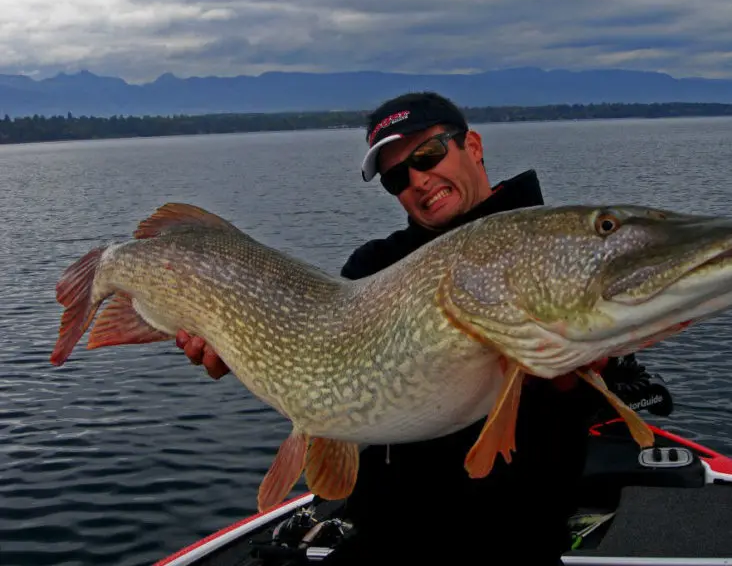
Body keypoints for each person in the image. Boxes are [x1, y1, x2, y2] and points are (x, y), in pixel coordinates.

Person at [175, 91, 648, 564]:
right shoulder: (373, 265)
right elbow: (315, 364)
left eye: (428, 154)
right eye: (397, 176)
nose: (418, 180)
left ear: (474, 146)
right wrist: (236, 342)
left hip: (510, 541)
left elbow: (590, 398)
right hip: (387, 537)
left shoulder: (552, 249)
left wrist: (570, 378)